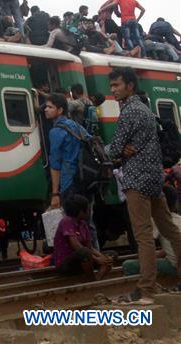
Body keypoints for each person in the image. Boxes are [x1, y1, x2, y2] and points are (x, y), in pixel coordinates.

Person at [106, 67, 181, 303]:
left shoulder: (129, 112)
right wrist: (122, 149)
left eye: (117, 85)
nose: (113, 90)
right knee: (169, 229)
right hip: (154, 179)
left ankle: (146, 289)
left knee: (143, 236)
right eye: (112, 86)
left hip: (136, 180)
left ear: (130, 85)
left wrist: (118, 151)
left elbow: (114, 149)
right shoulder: (146, 110)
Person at [44, 93, 98, 246]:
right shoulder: (74, 125)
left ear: (60, 110)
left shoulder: (55, 132)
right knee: (88, 223)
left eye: (50, 107)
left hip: (69, 183)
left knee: (72, 225)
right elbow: (89, 139)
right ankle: (96, 256)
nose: (46, 110)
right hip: (86, 180)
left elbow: (55, 165)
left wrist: (55, 193)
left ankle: (82, 259)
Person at [123, 187, 181, 277]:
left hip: (175, 266)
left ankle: (142, 287)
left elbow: (146, 247)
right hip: (177, 260)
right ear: (175, 203)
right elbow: (172, 247)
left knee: (128, 265)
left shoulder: (156, 220)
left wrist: (140, 258)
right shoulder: (179, 219)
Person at [52, 194, 113, 279]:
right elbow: (76, 246)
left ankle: (97, 278)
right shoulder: (67, 221)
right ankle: (91, 280)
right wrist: (97, 259)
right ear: (80, 211)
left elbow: (90, 247)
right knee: (84, 252)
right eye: (87, 209)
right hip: (66, 264)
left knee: (111, 255)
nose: (89, 212)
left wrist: (103, 258)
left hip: (82, 260)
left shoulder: (83, 224)